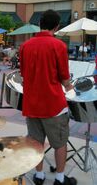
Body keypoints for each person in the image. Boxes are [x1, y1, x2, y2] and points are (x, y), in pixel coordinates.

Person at [19, 10, 76, 185]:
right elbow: (64, 77)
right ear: (56, 26)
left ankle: (39, 175)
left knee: (36, 143)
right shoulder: (58, 46)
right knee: (59, 143)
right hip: (53, 106)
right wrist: (69, 86)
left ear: (40, 24)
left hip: (31, 104)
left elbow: (24, 74)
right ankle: (59, 178)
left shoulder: (25, 46)